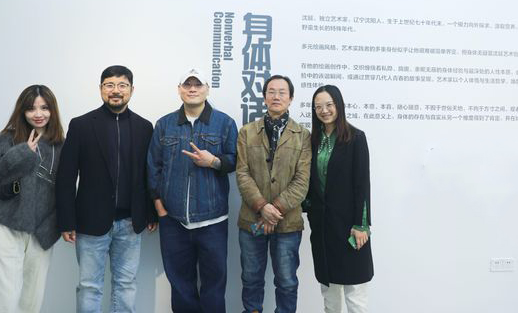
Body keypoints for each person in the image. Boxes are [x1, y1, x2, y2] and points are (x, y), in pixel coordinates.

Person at [55, 65, 156, 313]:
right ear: (100, 89)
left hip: (130, 223)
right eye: (109, 85)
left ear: (132, 89)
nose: (116, 91)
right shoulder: (81, 125)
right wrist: (66, 220)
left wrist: (151, 213)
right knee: (89, 286)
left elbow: (149, 174)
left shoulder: (145, 127)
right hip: (90, 222)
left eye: (122, 85)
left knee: (126, 285)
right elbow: (66, 176)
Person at [147, 68, 238, 312]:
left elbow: (235, 160)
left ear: (207, 89)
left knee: (214, 287)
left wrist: (214, 161)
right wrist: (160, 208)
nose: (192, 89)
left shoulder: (225, 123)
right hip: (173, 220)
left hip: (213, 221)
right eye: (187, 85)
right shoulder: (165, 124)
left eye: (198, 85)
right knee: (180, 286)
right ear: (179, 90)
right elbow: (153, 167)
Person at [0, 84, 65, 313]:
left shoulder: (60, 145)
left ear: (52, 110)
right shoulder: (9, 139)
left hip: (42, 230)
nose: (38, 114)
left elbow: (65, 189)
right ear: (22, 111)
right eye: (31, 108)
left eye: (44, 108)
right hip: (9, 225)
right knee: (2, 298)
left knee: (31, 299)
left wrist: (57, 225)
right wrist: (22, 154)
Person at [236, 75, 311, 313]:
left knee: (287, 282)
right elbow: (242, 173)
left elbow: (302, 180)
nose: (276, 96)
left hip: (287, 223)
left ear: (291, 98)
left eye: (282, 92)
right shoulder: (247, 132)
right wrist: (262, 206)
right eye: (271, 91)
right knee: (251, 279)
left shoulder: (303, 135)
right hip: (252, 220)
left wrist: (274, 209)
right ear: (264, 97)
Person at [306, 85, 373, 313]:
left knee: (355, 295)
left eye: (329, 105)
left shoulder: (355, 138)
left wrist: (361, 225)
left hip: (349, 228)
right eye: (318, 107)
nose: (324, 111)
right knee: (330, 295)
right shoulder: (313, 140)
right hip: (323, 228)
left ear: (339, 105)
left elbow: (362, 185)